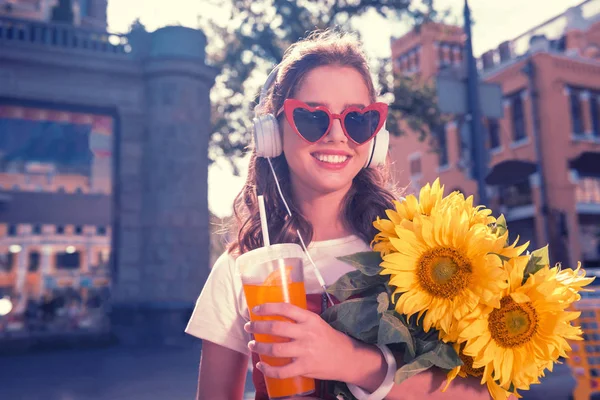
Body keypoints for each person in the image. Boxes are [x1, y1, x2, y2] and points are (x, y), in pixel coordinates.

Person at [186, 30, 490, 400]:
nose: (335, 135)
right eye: (312, 117)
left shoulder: (425, 250)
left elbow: (481, 393)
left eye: (357, 119)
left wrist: (352, 361)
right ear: (273, 132)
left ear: (376, 137)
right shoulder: (242, 268)